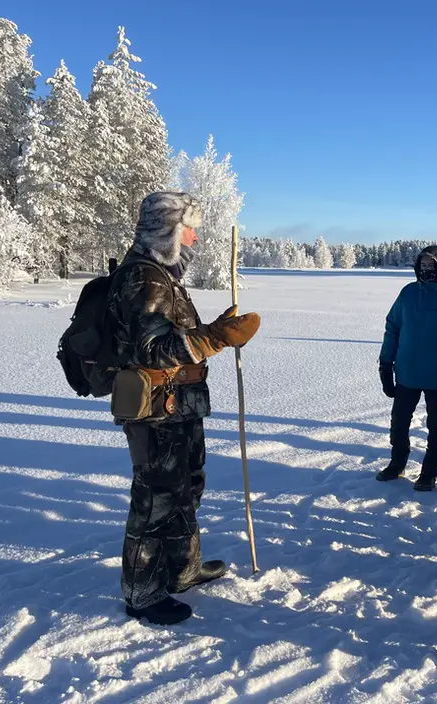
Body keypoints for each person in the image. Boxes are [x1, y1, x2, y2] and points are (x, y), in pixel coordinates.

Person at [108, 191, 261, 625]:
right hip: (155, 409)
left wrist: (212, 327)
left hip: (178, 405)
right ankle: (142, 591)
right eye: (188, 227)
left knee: (185, 488)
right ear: (169, 231)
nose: (195, 236)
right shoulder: (145, 279)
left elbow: (172, 333)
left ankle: (182, 570)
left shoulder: (162, 275)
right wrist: (215, 337)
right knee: (155, 498)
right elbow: (153, 349)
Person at [377, 246, 437, 491]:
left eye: (432, 265)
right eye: (423, 265)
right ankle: (397, 464)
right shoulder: (408, 293)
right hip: (407, 372)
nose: (426, 270)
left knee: (436, 426)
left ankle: (429, 472)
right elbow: (392, 327)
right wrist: (385, 363)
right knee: (399, 423)